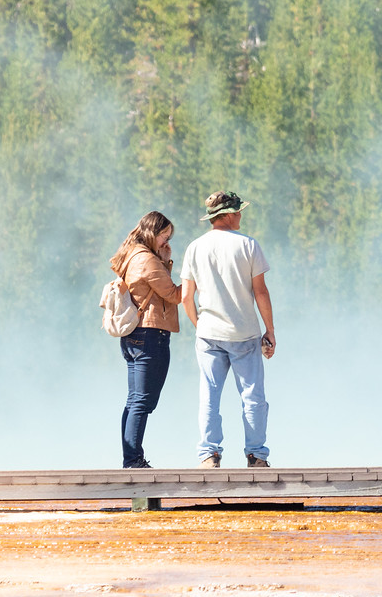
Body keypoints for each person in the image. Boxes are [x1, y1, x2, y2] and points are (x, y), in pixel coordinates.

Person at [178, 190, 275, 470]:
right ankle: (256, 456)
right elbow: (261, 292)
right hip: (244, 333)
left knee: (209, 395)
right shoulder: (248, 245)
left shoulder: (195, 247)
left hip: (209, 333)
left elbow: (186, 297)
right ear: (229, 215)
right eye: (239, 211)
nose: (241, 215)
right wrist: (270, 330)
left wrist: (200, 326)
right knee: (253, 396)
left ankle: (209, 455)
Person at [110, 211, 182, 469]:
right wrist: (196, 282)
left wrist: (165, 260)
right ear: (153, 233)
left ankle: (132, 459)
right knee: (142, 402)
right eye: (164, 236)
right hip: (150, 334)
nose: (167, 241)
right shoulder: (146, 260)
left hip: (135, 337)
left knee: (135, 401)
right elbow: (173, 294)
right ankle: (133, 461)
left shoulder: (134, 256)